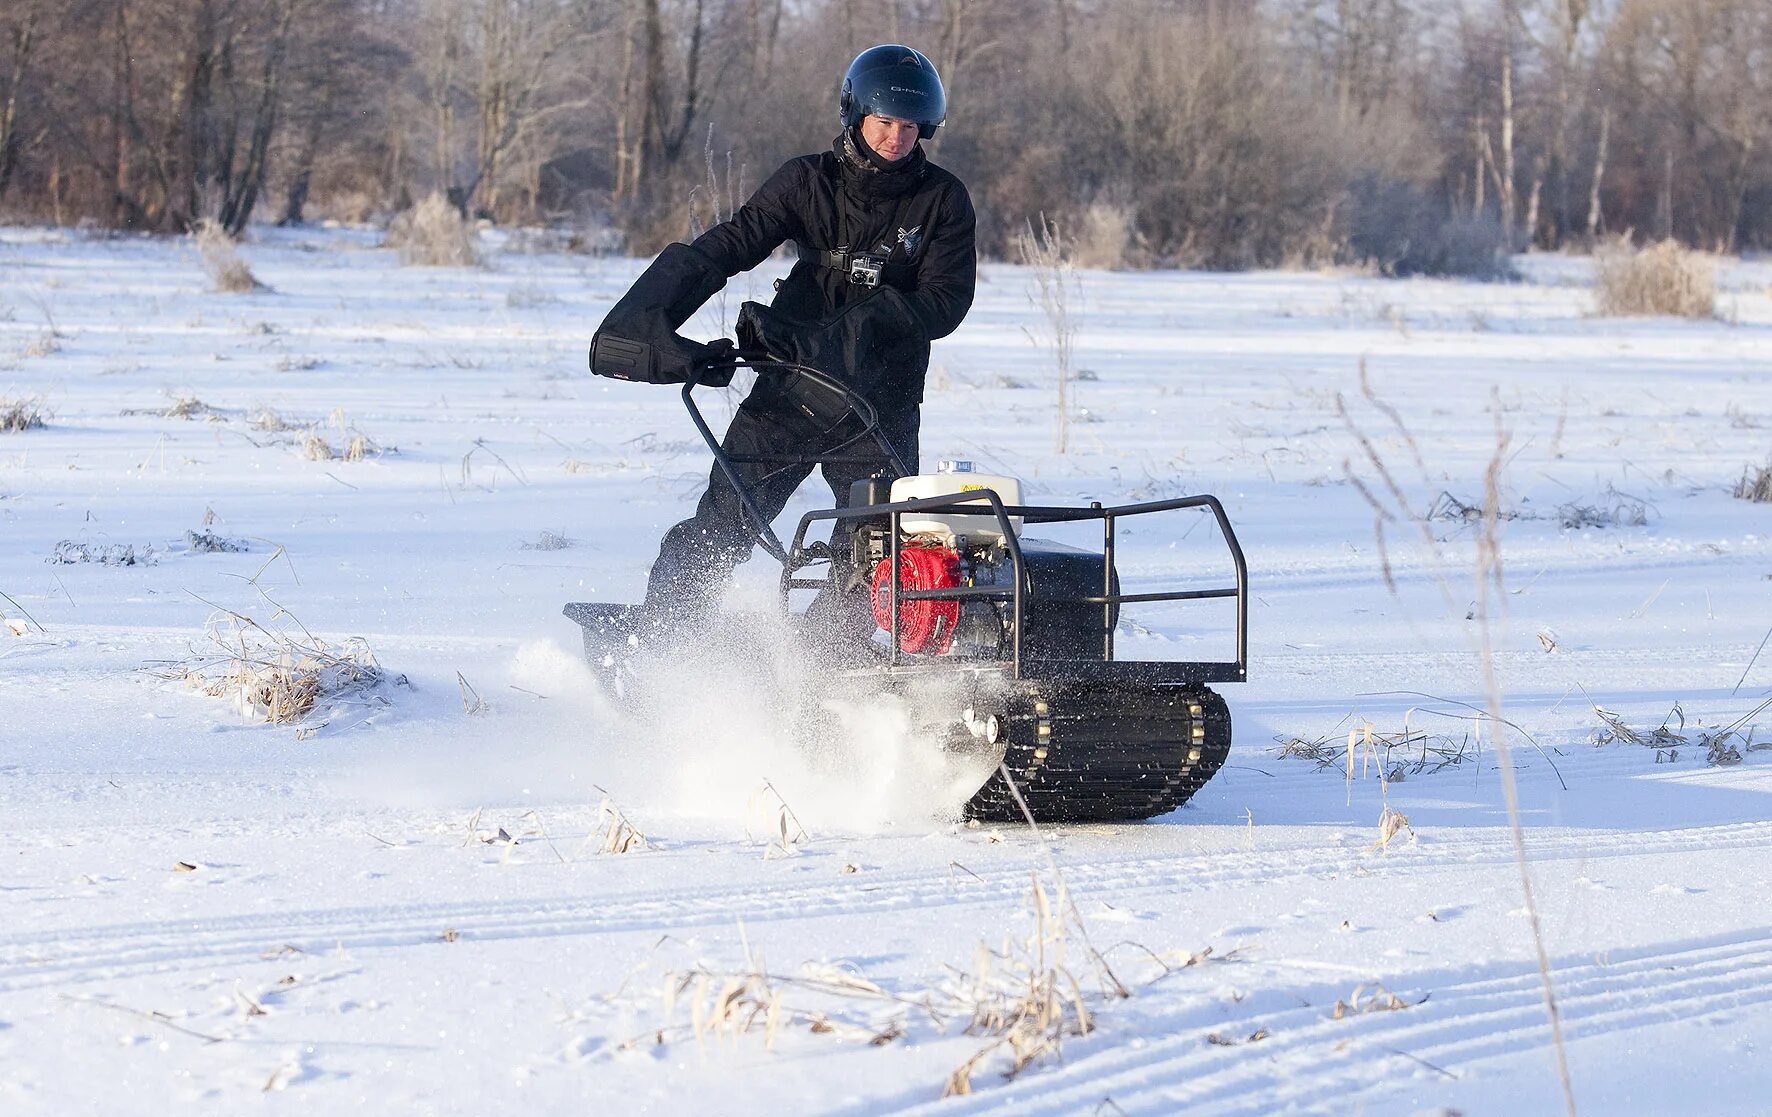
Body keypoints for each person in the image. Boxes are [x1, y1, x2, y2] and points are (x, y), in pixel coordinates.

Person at [591, 44, 977, 636]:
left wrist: (859, 328)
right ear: (855, 116)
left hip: (880, 403)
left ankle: (826, 665)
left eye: (908, 126)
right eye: (884, 123)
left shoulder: (942, 200)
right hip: (788, 390)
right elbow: (731, 245)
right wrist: (651, 312)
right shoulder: (806, 181)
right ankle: (664, 637)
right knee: (723, 523)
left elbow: (945, 301)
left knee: (876, 550)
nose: (896, 138)